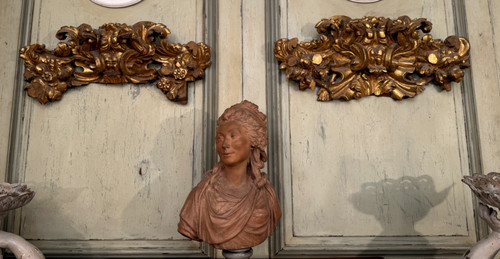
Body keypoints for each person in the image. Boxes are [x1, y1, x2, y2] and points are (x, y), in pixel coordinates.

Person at [178, 100, 281, 250]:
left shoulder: (266, 194)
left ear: (252, 142)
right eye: (220, 138)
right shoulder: (202, 195)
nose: (225, 145)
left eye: (233, 136)